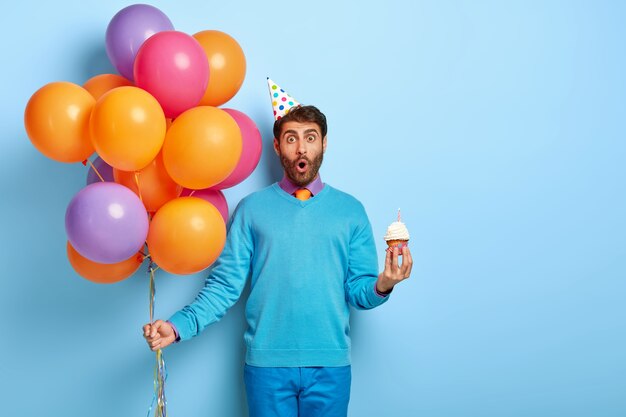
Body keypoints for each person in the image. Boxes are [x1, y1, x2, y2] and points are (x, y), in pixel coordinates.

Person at [143, 82, 413, 417]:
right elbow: (225, 287)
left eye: (310, 137)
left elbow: (360, 291)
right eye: (291, 138)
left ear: (324, 144)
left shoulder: (350, 211)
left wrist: (384, 283)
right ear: (277, 146)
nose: (302, 148)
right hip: (266, 368)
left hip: (330, 366)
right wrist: (179, 325)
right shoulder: (252, 210)